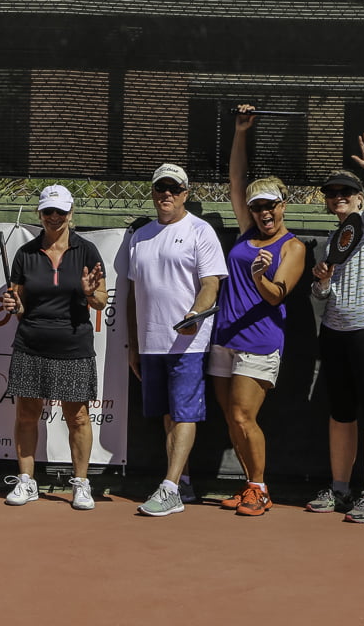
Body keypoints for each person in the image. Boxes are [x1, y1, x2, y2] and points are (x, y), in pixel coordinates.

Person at [210, 105, 305, 516]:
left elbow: (275, 295)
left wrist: (260, 277)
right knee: (231, 421)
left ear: (284, 205)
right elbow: (235, 180)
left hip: (260, 343)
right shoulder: (247, 232)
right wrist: (240, 131)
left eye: (271, 206)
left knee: (243, 416)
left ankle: (260, 489)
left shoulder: (293, 247)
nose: (264, 213)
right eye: (257, 206)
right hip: (224, 339)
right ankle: (250, 484)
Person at [125, 163, 227, 516]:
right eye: (160, 188)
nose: (166, 194)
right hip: (151, 343)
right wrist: (134, 345)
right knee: (168, 415)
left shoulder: (201, 232)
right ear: (153, 193)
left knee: (184, 413)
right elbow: (133, 294)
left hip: (188, 343)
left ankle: (168, 488)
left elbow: (211, 284)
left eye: (173, 188)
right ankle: (182, 482)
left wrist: (194, 315)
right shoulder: (140, 237)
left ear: (185, 194)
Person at [306, 133, 364, 524]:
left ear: (359, 197)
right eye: (332, 192)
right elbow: (323, 294)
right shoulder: (332, 238)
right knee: (341, 412)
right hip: (335, 331)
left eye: (346, 191)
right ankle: (341, 489)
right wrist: (322, 282)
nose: (339, 196)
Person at [1, 184, 108, 510]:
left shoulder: (87, 252)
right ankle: (26, 481)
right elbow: (20, 306)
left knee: (77, 418)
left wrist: (89, 292)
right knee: (27, 415)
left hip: (73, 346)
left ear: (70, 213)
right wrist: (13, 305)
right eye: (48, 211)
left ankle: (81, 483)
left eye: (60, 211)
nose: (54, 217)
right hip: (30, 345)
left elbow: (101, 301)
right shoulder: (26, 254)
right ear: (40, 214)